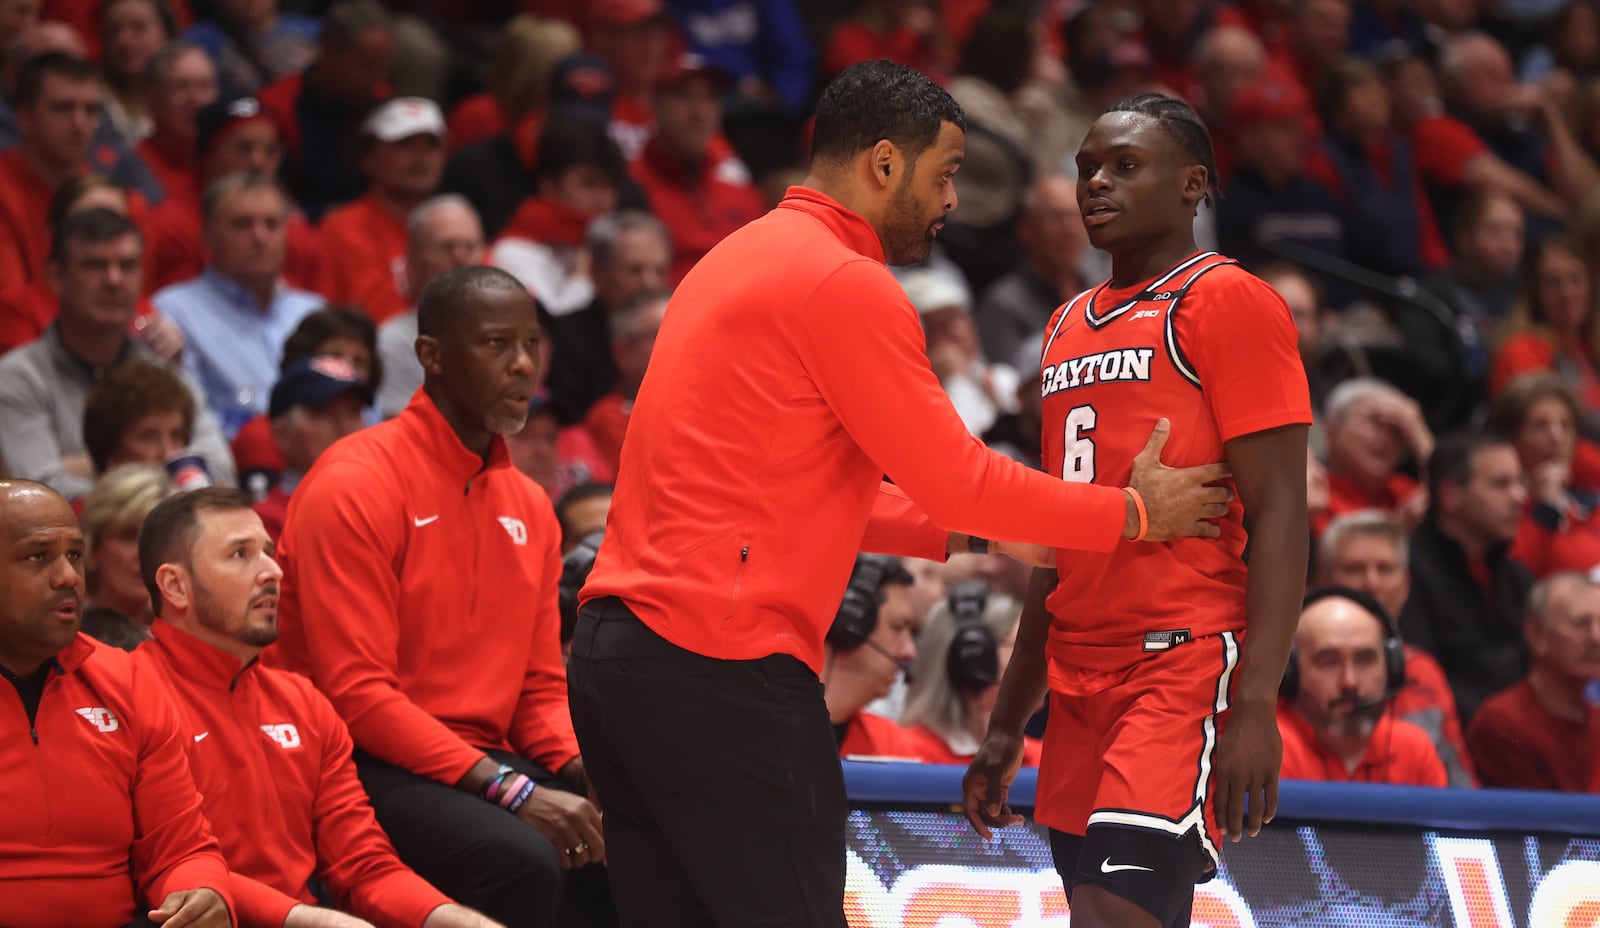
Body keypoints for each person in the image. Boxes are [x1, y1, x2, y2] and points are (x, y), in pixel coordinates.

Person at [569, 62, 1233, 927]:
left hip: (614, 661)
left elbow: (799, 492)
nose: (953, 201)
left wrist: (983, 539)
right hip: (720, 667)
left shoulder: (730, 259)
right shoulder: (844, 282)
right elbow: (960, 476)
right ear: (885, 163)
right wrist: (1134, 514)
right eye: (945, 173)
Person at [965, 92, 1311, 928]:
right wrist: (1010, 724)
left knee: (1111, 916)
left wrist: (1256, 703)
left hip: (1179, 664)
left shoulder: (1227, 301)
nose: (1096, 184)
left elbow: (1284, 513)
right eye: (1087, 168)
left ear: (1194, 186)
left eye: (1125, 166)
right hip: (1077, 679)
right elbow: (1059, 542)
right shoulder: (1060, 329)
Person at [268, 266, 612, 928]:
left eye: (530, 345)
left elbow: (538, 689)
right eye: (495, 345)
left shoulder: (531, 507)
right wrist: (514, 791)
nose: (521, 366)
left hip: (471, 758)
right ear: (431, 356)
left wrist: (584, 766)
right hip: (351, 761)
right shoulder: (354, 483)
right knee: (524, 857)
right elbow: (358, 697)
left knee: (631, 839)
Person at [134, 487, 501, 927]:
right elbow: (160, 862)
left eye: (268, 552)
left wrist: (454, 919)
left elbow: (364, 865)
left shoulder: (304, 702)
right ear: (175, 585)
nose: (272, 571)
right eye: (240, 555)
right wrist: (308, 919)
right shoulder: (130, 691)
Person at [0, 479, 234, 928]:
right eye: (38, 556)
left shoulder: (126, 681)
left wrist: (202, 889)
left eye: (74, 555)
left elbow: (182, 846)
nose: (68, 576)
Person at [0, 208, 235, 501]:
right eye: (95, 265)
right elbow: (40, 491)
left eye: (127, 266)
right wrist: (167, 479)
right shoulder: (17, 378)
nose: (113, 280)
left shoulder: (162, 371)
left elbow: (221, 472)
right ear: (57, 277)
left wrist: (91, 467)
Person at [153, 171, 323, 434]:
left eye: (272, 224)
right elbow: (187, 421)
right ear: (207, 234)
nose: (260, 237)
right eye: (242, 224)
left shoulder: (314, 311)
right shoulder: (174, 312)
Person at [1317, 510, 1477, 786]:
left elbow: (1461, 788)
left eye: (1385, 569)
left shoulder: (1424, 671)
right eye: (1354, 569)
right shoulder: (1294, 666)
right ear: (1322, 581)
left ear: (1405, 586)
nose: (1372, 583)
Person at [1400, 431, 1533, 724]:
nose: (1519, 497)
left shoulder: (1517, 577)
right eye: (1501, 484)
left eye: (1519, 482)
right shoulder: (1405, 574)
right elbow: (1424, 683)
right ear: (1450, 495)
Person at [1276, 587, 1449, 786]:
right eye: (1329, 663)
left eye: (1365, 661)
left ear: (1392, 666)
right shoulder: (1269, 750)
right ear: (1290, 671)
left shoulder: (1414, 750)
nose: (1350, 682)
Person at [316, 96, 448, 325]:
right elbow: (368, 317)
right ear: (368, 158)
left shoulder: (453, 222)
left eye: (431, 145)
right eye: (404, 144)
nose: (421, 157)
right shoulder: (344, 228)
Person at [1467, 571, 1600, 791]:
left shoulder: (1595, 720)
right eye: (1580, 623)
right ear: (1536, 635)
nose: (1596, 637)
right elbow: (1538, 821)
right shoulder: (1503, 721)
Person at [900, 580, 1045, 766]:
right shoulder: (901, 753)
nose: (1043, 660)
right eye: (1024, 648)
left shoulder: (1046, 760)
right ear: (974, 659)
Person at [375, 195, 487, 418]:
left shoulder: (504, 331)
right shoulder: (393, 340)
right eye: (447, 247)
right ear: (414, 258)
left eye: (471, 246)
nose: (461, 258)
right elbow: (403, 434)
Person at [822, 554, 929, 760]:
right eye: (897, 627)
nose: (910, 652)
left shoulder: (893, 746)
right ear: (849, 623)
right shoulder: (758, 730)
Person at [252, 354, 370, 539]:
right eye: (322, 413)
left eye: (353, 412)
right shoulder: (263, 525)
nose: (345, 427)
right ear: (281, 434)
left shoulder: (392, 502)